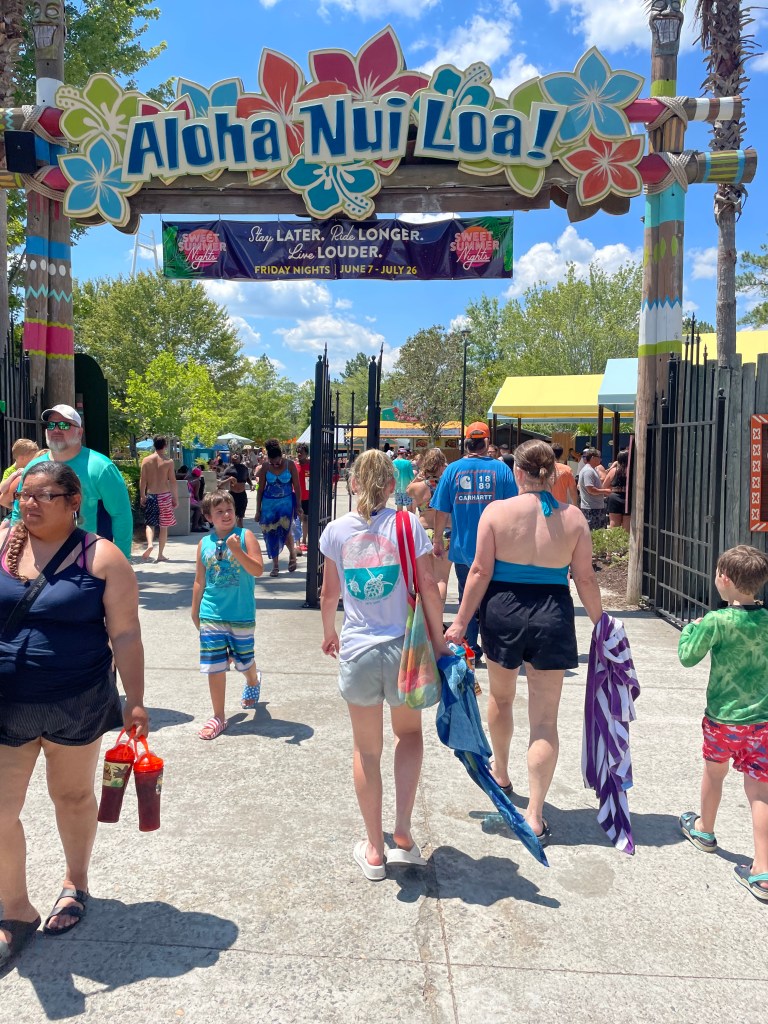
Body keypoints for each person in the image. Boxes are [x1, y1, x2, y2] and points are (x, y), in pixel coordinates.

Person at [0, 462, 147, 964]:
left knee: (72, 795)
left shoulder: (102, 557)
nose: (29, 503)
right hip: (7, 702)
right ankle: (15, 910)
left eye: (43, 495)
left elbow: (125, 633)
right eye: (24, 494)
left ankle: (75, 882)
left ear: (72, 501)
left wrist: (136, 699)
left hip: (76, 700)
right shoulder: (2, 545)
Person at [445, 440, 603, 844]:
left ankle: (500, 769)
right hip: (552, 611)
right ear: (552, 472)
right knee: (546, 719)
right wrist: (601, 622)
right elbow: (584, 578)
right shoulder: (573, 519)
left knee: (501, 698)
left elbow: (479, 571)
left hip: (503, 609)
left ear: (516, 472)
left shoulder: (496, 513)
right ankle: (535, 813)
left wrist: (461, 623)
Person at [319, 450, 452, 880]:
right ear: (392, 485)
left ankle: (374, 850)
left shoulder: (336, 531)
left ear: (354, 483)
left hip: (357, 650)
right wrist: (439, 641)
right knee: (409, 735)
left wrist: (329, 631)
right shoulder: (408, 524)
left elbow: (328, 593)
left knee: (366, 749)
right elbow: (429, 587)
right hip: (403, 650)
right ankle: (403, 832)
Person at [677, 545, 768, 902]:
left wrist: (691, 629)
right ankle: (762, 869)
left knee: (714, 774)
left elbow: (687, 657)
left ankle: (705, 830)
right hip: (761, 722)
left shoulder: (717, 621)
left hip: (722, 721)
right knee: (760, 793)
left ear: (724, 579)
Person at [431, 422, 517, 665]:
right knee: (493, 600)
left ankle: (468, 651)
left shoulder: (453, 470)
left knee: (466, 600)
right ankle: (494, 650)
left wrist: (437, 540)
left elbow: (440, 510)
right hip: (496, 551)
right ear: (487, 442)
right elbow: (514, 509)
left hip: (463, 549)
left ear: (466, 442)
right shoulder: (501, 471)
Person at [10, 406, 133, 559]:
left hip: (88, 560)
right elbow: (18, 513)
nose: (56, 430)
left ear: (79, 432)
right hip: (40, 559)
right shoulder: (33, 467)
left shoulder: (101, 467)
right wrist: (15, 552)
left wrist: (123, 560)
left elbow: (121, 514)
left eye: (64, 425)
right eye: (51, 425)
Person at [191, 491, 264, 739]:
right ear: (208, 516)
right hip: (212, 612)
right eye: (219, 511)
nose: (225, 515)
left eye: (229, 509)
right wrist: (195, 609)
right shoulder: (204, 543)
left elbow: (257, 570)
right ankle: (219, 716)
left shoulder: (246, 536)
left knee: (244, 660)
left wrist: (237, 549)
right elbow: (200, 581)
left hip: (241, 613)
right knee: (214, 665)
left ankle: (253, 680)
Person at [406, 447, 452, 602]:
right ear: (441, 465)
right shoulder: (449, 485)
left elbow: (407, 492)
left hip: (424, 532)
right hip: (446, 532)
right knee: (441, 580)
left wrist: (417, 478)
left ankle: (425, 620)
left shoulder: (418, 487)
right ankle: (438, 620)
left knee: (425, 580)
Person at [255, 439, 300, 577]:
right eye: (272, 463)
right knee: (271, 533)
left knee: (285, 531)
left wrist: (299, 506)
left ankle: (292, 553)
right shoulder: (265, 467)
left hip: (286, 503)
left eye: (278, 462)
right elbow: (260, 490)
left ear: (282, 457)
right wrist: (258, 510)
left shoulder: (290, 465)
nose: (275, 465)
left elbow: (297, 487)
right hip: (269, 504)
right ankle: (275, 565)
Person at [139, 436, 179, 563]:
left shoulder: (146, 460)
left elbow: (143, 480)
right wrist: (175, 498)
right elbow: (172, 481)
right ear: (165, 446)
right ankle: (160, 554)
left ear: (154, 445)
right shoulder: (168, 461)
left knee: (150, 524)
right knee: (164, 526)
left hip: (151, 495)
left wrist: (142, 495)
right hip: (164, 496)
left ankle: (150, 544)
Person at [1, 440, 41, 512]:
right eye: (33, 457)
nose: (35, 459)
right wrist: (14, 475)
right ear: (21, 458)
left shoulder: (33, 466)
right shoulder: (10, 471)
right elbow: (2, 489)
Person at [578, 448, 611, 531]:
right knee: (594, 534)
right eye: (599, 457)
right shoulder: (588, 471)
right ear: (592, 458)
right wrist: (605, 491)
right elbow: (590, 489)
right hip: (592, 509)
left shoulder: (592, 470)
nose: (601, 459)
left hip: (594, 507)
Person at [221, 451, 250, 528]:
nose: (235, 455)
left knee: (240, 518)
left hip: (242, 495)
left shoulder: (244, 468)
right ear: (231, 458)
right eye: (234, 454)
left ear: (240, 458)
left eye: (237, 454)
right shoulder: (228, 469)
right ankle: (230, 533)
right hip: (232, 495)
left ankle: (240, 535)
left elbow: (247, 478)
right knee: (231, 517)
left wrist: (251, 484)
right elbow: (220, 484)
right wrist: (229, 479)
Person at [603, 450, 631, 530]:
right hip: (628, 498)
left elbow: (604, 486)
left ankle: (614, 542)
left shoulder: (613, 471)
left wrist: (612, 491)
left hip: (614, 498)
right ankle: (625, 542)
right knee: (627, 527)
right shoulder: (631, 471)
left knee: (614, 525)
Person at [296, 444, 311, 553]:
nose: (299, 454)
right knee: (297, 520)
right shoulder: (294, 465)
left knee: (305, 519)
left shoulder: (311, 465)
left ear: (306, 453)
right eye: (298, 452)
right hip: (296, 496)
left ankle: (304, 542)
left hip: (308, 496)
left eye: (301, 452)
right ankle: (297, 544)